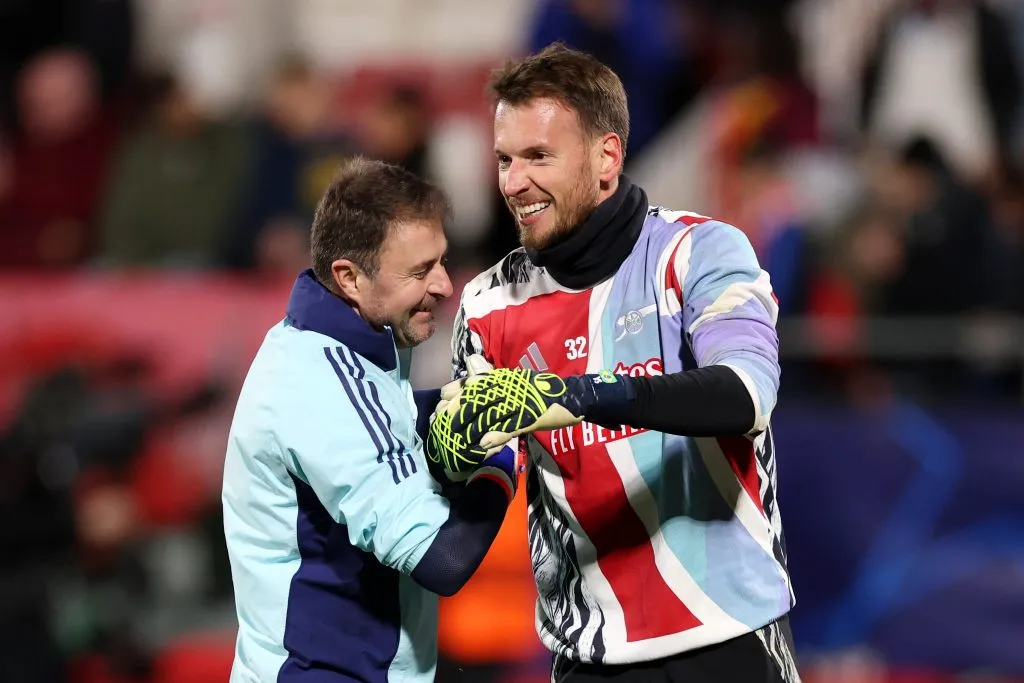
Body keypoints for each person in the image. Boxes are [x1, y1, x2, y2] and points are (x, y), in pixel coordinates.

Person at [427, 44, 799, 682]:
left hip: (727, 636)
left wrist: (578, 395)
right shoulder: (488, 304)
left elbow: (746, 395)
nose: (514, 183)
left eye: (539, 156)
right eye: (505, 160)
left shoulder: (699, 251)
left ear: (607, 157)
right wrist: (451, 449)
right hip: (591, 657)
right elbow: (484, 462)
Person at [222, 157, 522, 683]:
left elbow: (387, 423)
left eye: (442, 262)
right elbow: (443, 560)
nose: (446, 286)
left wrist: (457, 403)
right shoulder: (324, 383)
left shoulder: (341, 349)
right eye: (419, 271)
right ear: (350, 278)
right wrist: (503, 456)